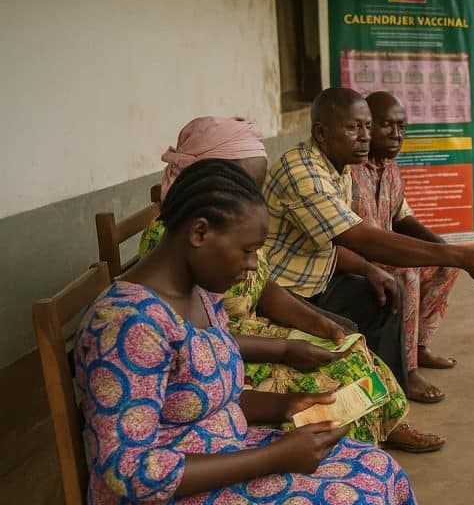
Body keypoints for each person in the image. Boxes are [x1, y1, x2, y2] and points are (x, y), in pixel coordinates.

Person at [75, 159, 428, 505]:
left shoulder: (200, 294)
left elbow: (206, 393)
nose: (253, 265)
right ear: (200, 232)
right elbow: (129, 470)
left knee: (376, 468)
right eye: (247, 250)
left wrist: (284, 406)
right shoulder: (128, 326)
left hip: (220, 456)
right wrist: (274, 457)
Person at [140, 116, 443, 453]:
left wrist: (315, 323)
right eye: (243, 184)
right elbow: (198, 346)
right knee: (333, 380)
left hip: (242, 336)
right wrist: (285, 348)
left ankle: (382, 425)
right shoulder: (178, 250)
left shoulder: (225, 234)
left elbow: (263, 286)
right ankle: (343, 447)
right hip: (234, 351)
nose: (252, 196)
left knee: (351, 346)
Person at [263, 87, 474, 403]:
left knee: (385, 296)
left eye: (367, 127)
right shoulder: (303, 173)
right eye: (355, 128)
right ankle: (380, 395)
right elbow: (359, 238)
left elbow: (392, 222)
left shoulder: (342, 167)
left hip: (322, 278)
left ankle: (396, 395)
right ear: (321, 134)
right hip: (283, 292)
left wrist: (376, 269)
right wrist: (460, 254)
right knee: (353, 326)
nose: (365, 136)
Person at [351, 91, 460, 380]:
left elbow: (402, 216)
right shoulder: (347, 170)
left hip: (387, 252)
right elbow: (356, 238)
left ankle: (420, 346)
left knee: (446, 262)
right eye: (388, 126)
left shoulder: (391, 168)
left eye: (402, 127)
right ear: (366, 126)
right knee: (408, 272)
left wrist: (437, 245)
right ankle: (407, 369)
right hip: (355, 260)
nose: (397, 135)